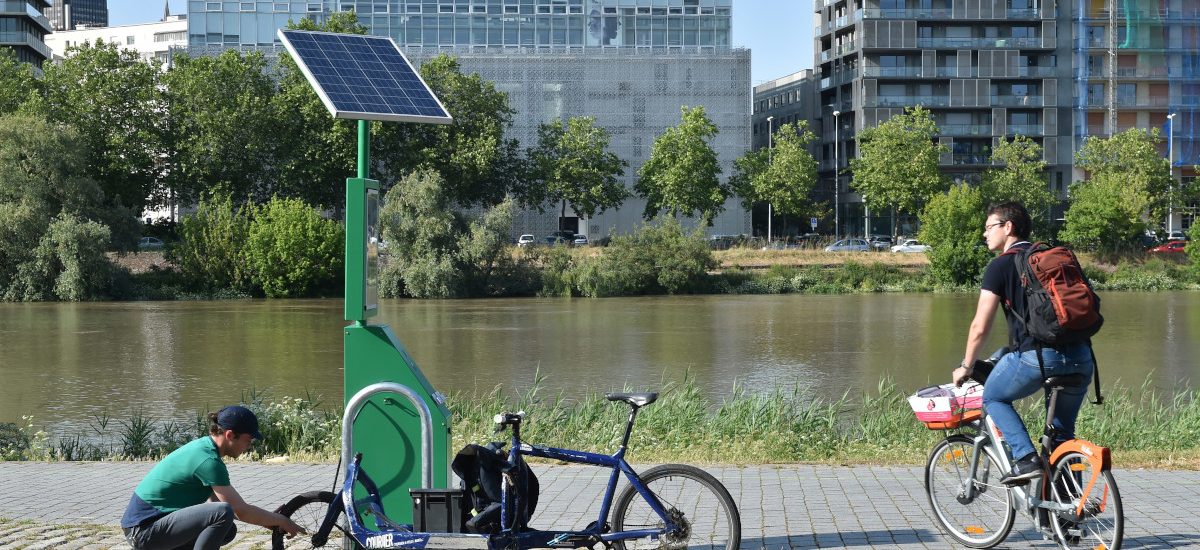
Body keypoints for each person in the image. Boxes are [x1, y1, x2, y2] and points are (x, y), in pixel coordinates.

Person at [952, 202, 1095, 486]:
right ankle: (1066, 517)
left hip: (1039, 358)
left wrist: (967, 365)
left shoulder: (1000, 265)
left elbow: (980, 326)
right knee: (1062, 434)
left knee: (993, 398)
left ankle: (1026, 458)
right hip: (1082, 356)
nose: (984, 234)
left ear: (1008, 227)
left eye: (989, 226)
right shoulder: (1054, 257)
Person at [120, 405, 304, 549]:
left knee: (227, 529)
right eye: (248, 440)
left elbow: (228, 507)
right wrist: (281, 520)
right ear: (230, 434)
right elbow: (236, 509)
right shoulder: (208, 461)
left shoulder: (205, 448)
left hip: (147, 527)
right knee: (222, 514)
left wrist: (268, 520)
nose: (249, 446)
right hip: (142, 531)